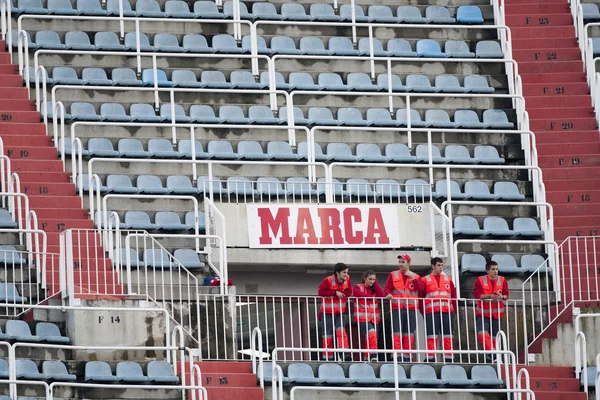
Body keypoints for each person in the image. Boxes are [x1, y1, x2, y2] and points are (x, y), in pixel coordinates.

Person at [384, 254, 424, 362]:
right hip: (397, 307)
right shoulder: (393, 275)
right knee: (397, 333)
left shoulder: (416, 276)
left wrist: (413, 277)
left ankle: (407, 357)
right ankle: (397, 357)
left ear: (408, 263)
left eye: (403, 262)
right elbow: (387, 289)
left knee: (409, 333)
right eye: (400, 262)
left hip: (411, 308)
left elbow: (421, 289)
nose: (401, 264)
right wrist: (388, 294)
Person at [420, 257, 456, 363]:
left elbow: (453, 296)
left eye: (442, 265)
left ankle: (449, 357)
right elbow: (421, 298)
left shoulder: (448, 279)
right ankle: (430, 357)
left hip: (447, 311)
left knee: (448, 335)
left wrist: (454, 311)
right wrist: (424, 313)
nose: (441, 267)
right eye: (439, 265)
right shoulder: (425, 280)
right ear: (433, 266)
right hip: (431, 312)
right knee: (431, 335)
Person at [474, 260, 509, 363]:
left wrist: (501, 297)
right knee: (482, 334)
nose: (495, 271)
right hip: (483, 313)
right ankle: (494, 354)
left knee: (495, 337)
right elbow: (477, 295)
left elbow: (507, 295)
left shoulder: (502, 280)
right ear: (487, 270)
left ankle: (492, 358)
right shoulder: (480, 280)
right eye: (493, 269)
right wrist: (490, 296)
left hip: (497, 314)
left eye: (497, 269)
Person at [318, 262, 353, 361]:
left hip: (340, 311)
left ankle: (344, 353)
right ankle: (328, 357)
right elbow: (321, 292)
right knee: (327, 335)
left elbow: (349, 292)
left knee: (341, 332)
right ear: (337, 273)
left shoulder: (347, 279)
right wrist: (335, 293)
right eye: (344, 273)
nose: (346, 275)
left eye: (346, 272)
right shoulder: (328, 280)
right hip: (327, 312)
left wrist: (342, 293)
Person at [353, 270, 385, 362]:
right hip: (362, 318)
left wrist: (376, 284)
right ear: (365, 279)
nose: (372, 281)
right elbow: (357, 294)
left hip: (374, 319)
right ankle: (374, 355)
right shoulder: (358, 286)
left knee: (372, 338)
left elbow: (381, 295)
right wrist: (370, 296)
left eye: (374, 279)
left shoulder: (375, 288)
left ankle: (367, 359)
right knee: (372, 333)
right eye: (370, 279)